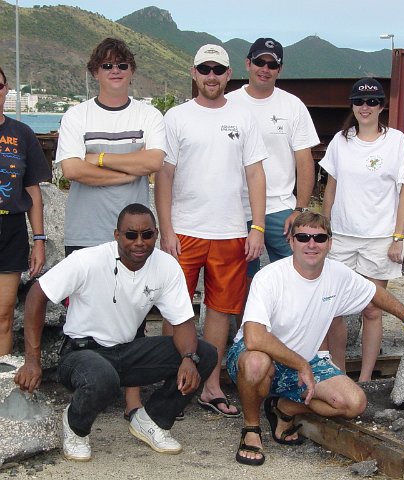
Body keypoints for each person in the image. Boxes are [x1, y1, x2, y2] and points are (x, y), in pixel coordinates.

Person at [227, 211, 404, 466]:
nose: (312, 244)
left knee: (354, 403)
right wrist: (301, 364)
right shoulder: (270, 277)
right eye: (303, 237)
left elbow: (373, 292)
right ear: (291, 242)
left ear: (330, 243)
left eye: (320, 238)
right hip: (258, 356)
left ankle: (282, 408)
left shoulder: (337, 274)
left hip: (303, 362)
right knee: (256, 363)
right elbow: (255, 338)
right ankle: (251, 429)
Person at [14, 203, 217, 461]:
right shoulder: (87, 260)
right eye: (131, 235)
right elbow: (36, 294)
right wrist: (33, 360)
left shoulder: (166, 266)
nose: (140, 242)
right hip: (81, 354)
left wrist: (189, 358)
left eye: (148, 235)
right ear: (116, 235)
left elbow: (182, 321)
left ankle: (152, 420)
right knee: (102, 376)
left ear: (156, 234)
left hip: (126, 351)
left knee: (205, 354)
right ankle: (75, 426)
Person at [155, 44, 267, 417]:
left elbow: (255, 173)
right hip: (184, 230)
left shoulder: (244, 117)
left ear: (228, 74)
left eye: (218, 70)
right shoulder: (176, 117)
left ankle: (211, 384)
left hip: (230, 231)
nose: (211, 76)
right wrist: (166, 229)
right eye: (205, 69)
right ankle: (175, 381)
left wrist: (258, 227)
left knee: (220, 310)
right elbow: (164, 176)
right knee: (176, 309)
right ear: (193, 72)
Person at [56, 37, 166, 415]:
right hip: (85, 230)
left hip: (134, 237)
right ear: (94, 72)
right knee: (82, 313)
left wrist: (98, 159)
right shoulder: (77, 115)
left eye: (121, 65)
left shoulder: (148, 115)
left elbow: (153, 161)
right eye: (107, 65)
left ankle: (132, 402)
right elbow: (71, 169)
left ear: (131, 71)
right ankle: (87, 389)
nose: (115, 71)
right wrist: (126, 169)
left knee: (134, 316)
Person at [320, 77, 404, 381]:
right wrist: (325, 229)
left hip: (379, 238)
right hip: (343, 237)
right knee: (334, 310)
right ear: (352, 104)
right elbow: (330, 188)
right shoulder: (340, 140)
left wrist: (398, 237)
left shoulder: (396, 141)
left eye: (372, 101)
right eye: (360, 101)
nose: (365, 107)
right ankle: (336, 373)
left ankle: (364, 379)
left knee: (372, 309)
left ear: (382, 106)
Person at [226, 37, 319, 279]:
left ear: (280, 69)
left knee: (294, 274)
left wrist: (300, 208)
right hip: (239, 209)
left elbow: (304, 160)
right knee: (240, 280)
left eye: (272, 65)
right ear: (248, 63)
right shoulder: (229, 103)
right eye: (259, 62)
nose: (265, 69)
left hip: (280, 209)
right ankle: (246, 318)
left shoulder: (293, 106)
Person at [0, 66, 51, 356]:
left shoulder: (22, 134)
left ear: (6, 89)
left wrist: (39, 241)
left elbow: (33, 191)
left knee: (4, 315)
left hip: (11, 230)